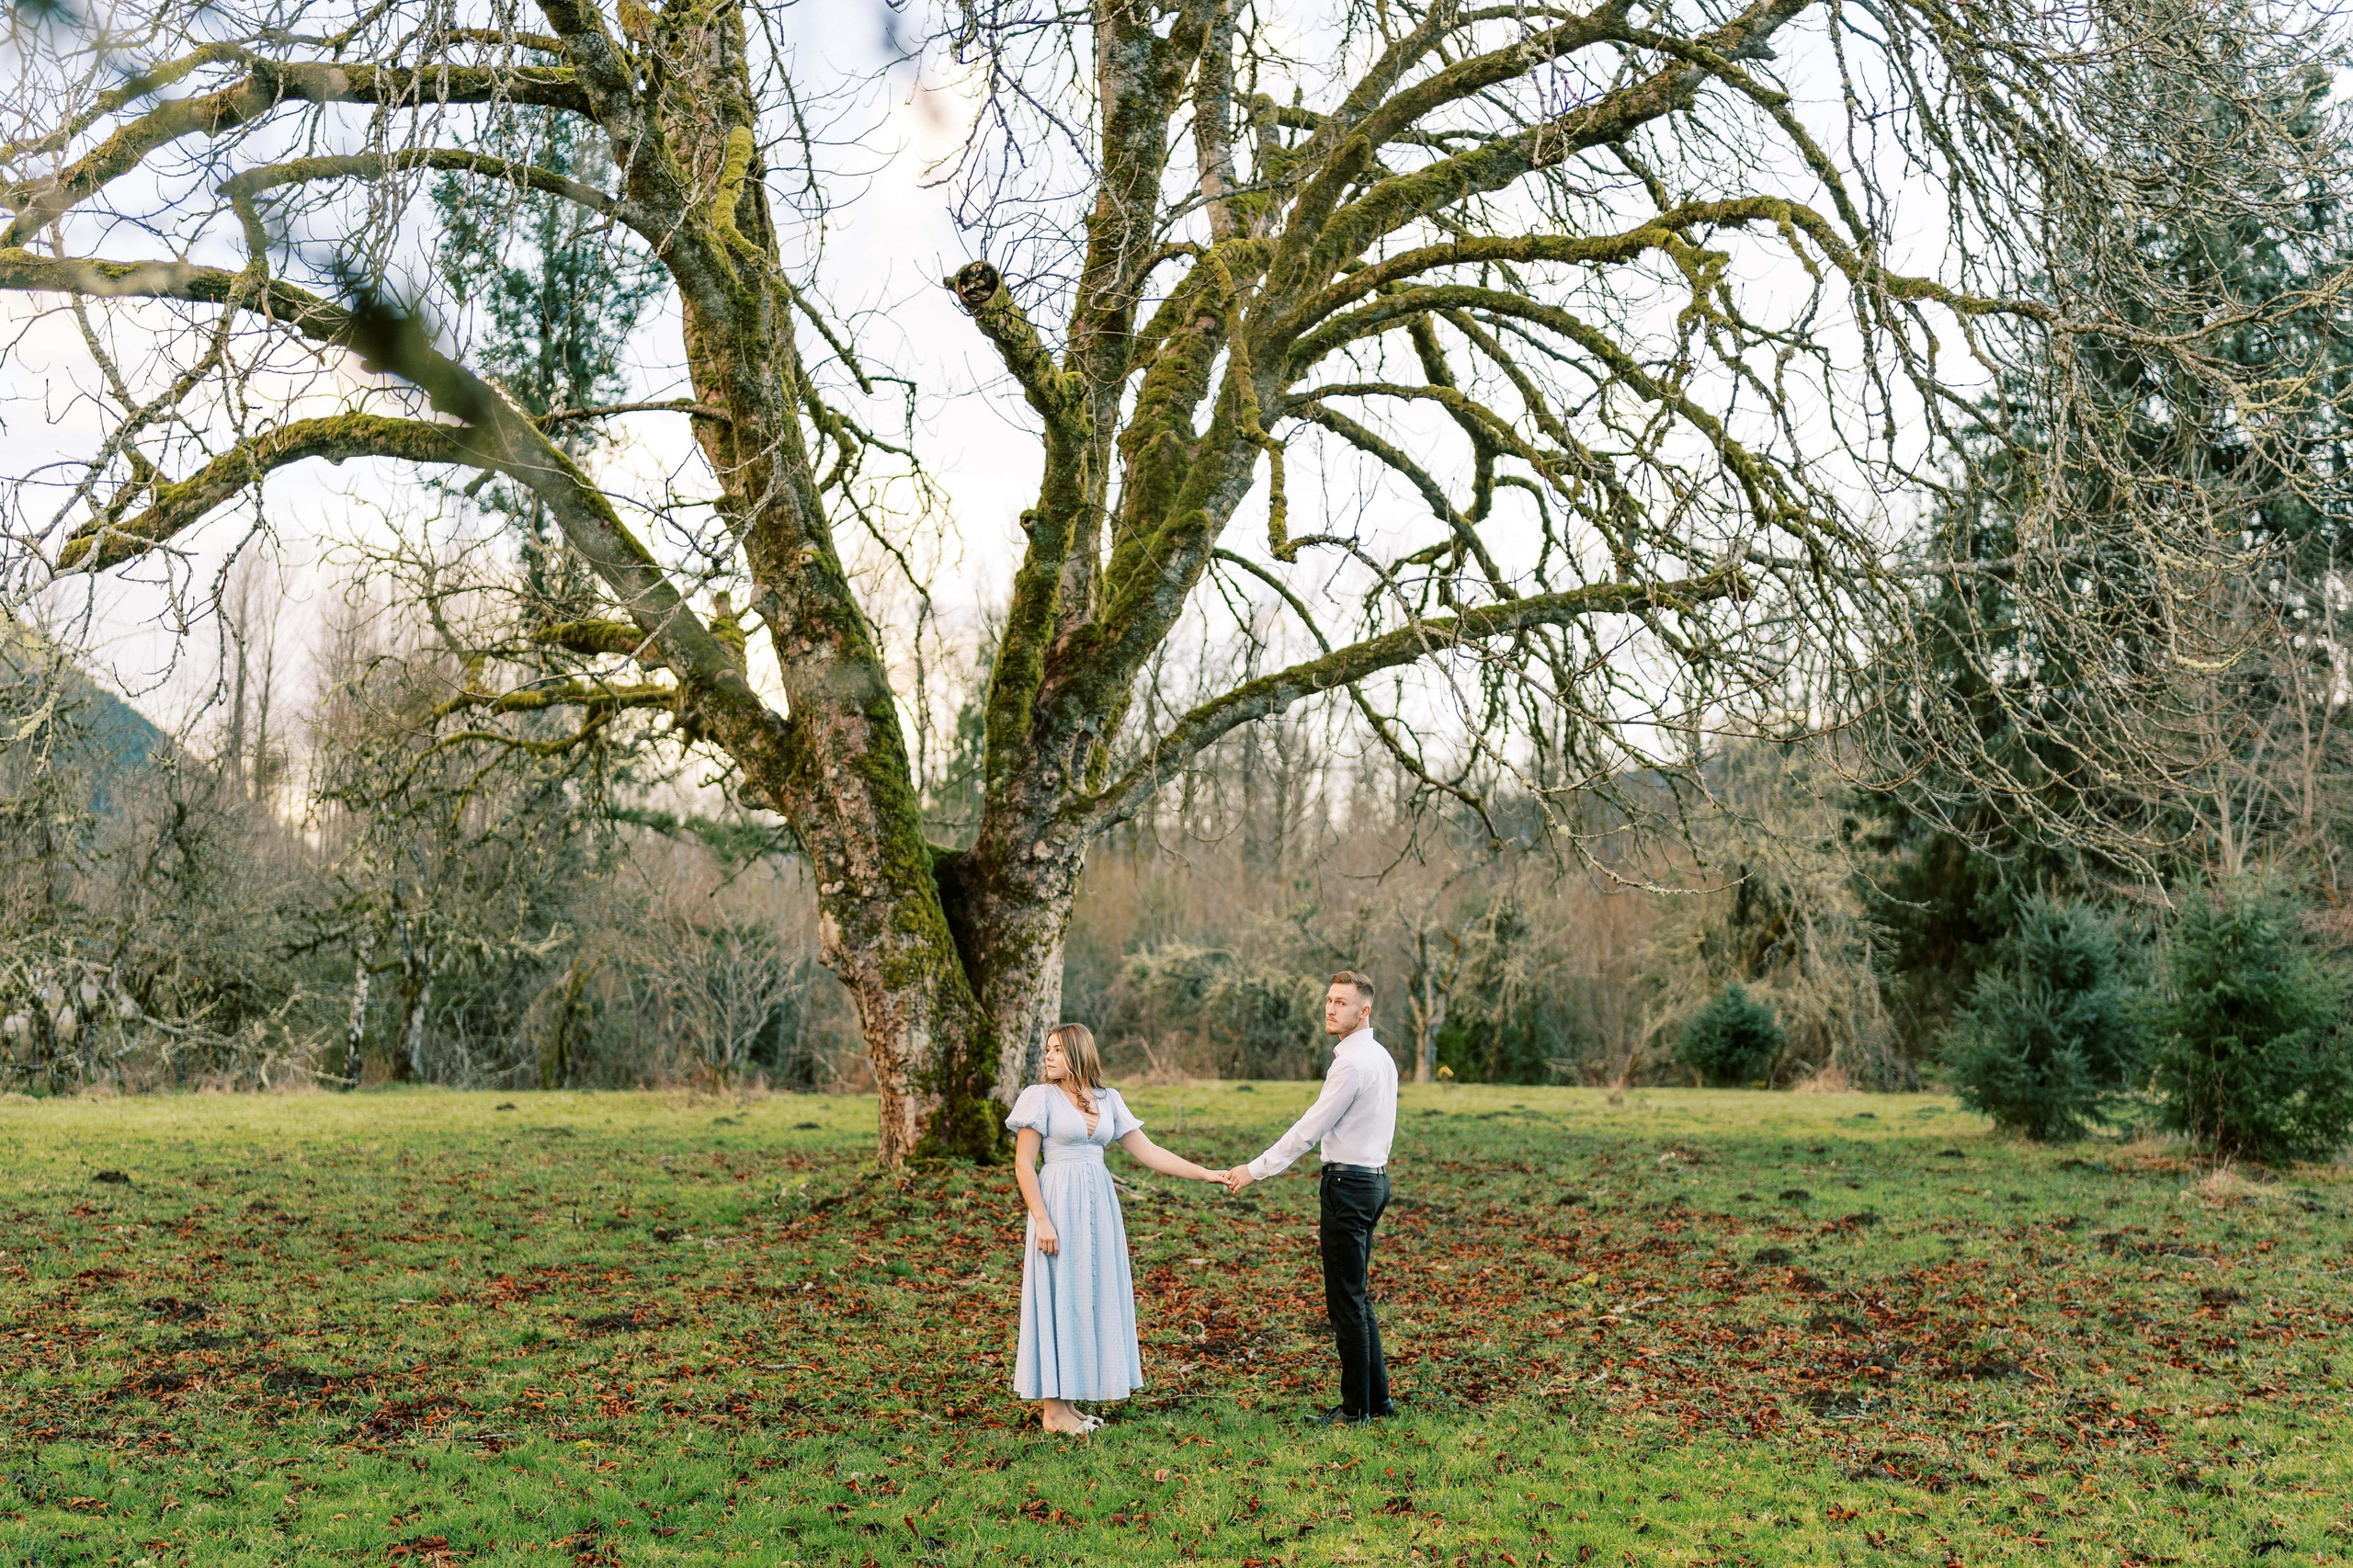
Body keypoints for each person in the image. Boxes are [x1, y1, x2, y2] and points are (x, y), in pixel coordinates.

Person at [1007, 1022, 1226, 1435]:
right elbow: (1024, 1164)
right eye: (1048, 1049)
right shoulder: (1039, 1098)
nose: (1049, 1057)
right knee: (1060, 1293)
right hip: (1057, 1203)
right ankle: (1052, 1412)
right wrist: (1041, 1219)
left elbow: (1151, 1152)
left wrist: (1207, 1174)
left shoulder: (1108, 1099)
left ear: (1077, 1054)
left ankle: (1066, 1406)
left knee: (1088, 1293)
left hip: (1099, 1208)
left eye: (1057, 1050)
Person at [1221, 971, 1400, 1426]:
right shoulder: (1381, 1057)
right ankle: (1378, 1402)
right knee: (1358, 1298)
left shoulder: (1354, 1063)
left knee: (1346, 1302)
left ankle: (1356, 1408)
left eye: (1341, 1002)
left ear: (1364, 1011)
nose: (1330, 1008)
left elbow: (1308, 1130)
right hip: (1374, 1181)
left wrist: (1254, 1169)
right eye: (1329, 999)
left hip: (1350, 1187)